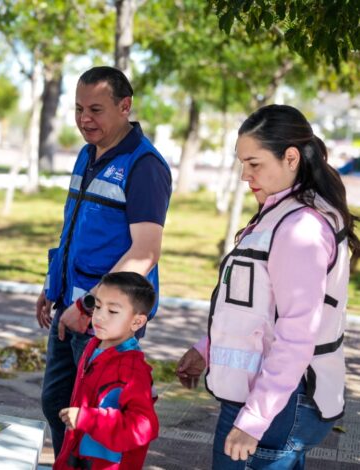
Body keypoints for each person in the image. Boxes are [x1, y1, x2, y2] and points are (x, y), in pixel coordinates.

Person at [176, 104, 358, 469]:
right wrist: (207, 348)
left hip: (276, 405)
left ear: (291, 158)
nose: (245, 175)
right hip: (272, 399)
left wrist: (254, 422)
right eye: (242, 163)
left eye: (254, 163)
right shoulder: (284, 211)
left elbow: (296, 335)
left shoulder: (299, 227)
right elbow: (258, 307)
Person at [37, 66, 171, 456]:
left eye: (95, 109)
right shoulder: (87, 153)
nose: (84, 119)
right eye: (78, 109)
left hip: (103, 319)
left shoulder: (144, 165)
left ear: (125, 106)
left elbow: (145, 251)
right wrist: (53, 285)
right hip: (70, 308)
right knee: (57, 406)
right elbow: (74, 229)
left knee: (98, 424)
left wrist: (88, 305)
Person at [54, 272, 159, 470]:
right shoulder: (94, 345)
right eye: (98, 306)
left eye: (113, 311)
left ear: (137, 322)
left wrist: (88, 419)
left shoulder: (132, 369)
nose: (100, 316)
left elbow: (144, 426)